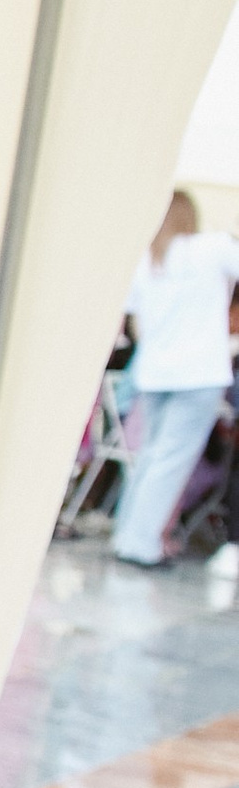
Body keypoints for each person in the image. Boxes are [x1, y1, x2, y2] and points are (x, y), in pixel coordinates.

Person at [112, 190, 239, 567]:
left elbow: (130, 307)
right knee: (170, 463)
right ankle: (142, 545)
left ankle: (127, 538)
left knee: (149, 459)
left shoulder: (148, 260)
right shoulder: (212, 248)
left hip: (153, 373)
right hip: (198, 373)